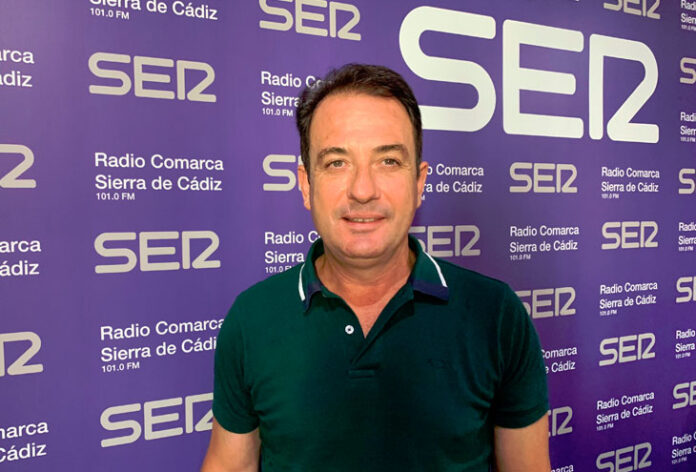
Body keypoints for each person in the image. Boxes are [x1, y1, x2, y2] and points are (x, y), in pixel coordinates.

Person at [201, 64, 551, 472]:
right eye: (337, 163)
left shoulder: (497, 314)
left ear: (419, 182)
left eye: (388, 160)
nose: (363, 190)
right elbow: (230, 464)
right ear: (306, 184)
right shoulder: (252, 318)